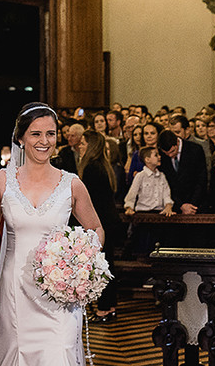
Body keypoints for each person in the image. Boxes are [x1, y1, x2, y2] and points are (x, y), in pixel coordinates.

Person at [0, 103, 104, 366]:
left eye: (51, 133)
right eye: (35, 134)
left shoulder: (72, 184)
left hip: (60, 294)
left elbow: (96, 229)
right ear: (21, 138)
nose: (44, 141)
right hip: (16, 291)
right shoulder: (1, 181)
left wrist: (81, 262)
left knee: (59, 353)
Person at [78, 130, 122, 322]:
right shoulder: (102, 166)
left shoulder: (91, 168)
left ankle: (104, 308)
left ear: (91, 146)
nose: (79, 146)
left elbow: (88, 201)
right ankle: (109, 306)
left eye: (82, 143)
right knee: (107, 266)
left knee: (100, 267)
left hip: (100, 223)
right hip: (108, 221)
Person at [157, 128, 205, 217]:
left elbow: (201, 180)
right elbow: (164, 183)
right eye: (166, 154)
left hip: (195, 206)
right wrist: (180, 205)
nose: (170, 155)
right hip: (173, 207)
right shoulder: (160, 154)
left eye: (172, 151)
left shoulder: (195, 149)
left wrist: (192, 205)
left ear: (177, 143)